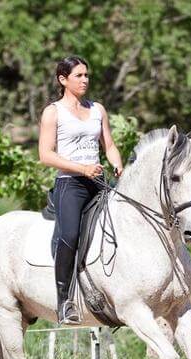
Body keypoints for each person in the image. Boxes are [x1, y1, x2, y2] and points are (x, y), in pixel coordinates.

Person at [38, 56, 124, 325]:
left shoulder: (98, 109)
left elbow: (108, 145)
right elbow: (45, 155)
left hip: (98, 181)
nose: (85, 80)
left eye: (86, 75)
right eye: (79, 76)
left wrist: (118, 164)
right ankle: (64, 302)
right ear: (63, 80)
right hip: (70, 184)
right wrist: (81, 168)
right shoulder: (53, 112)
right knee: (71, 234)